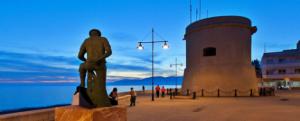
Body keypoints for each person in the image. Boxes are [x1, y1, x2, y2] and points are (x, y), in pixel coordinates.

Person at [78, 29, 112, 107]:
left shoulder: (86, 41)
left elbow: (79, 56)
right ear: (98, 34)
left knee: (81, 66)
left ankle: (82, 83)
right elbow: (109, 52)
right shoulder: (103, 39)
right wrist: (99, 59)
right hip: (100, 64)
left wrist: (86, 61)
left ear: (90, 34)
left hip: (88, 65)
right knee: (101, 84)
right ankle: (102, 102)